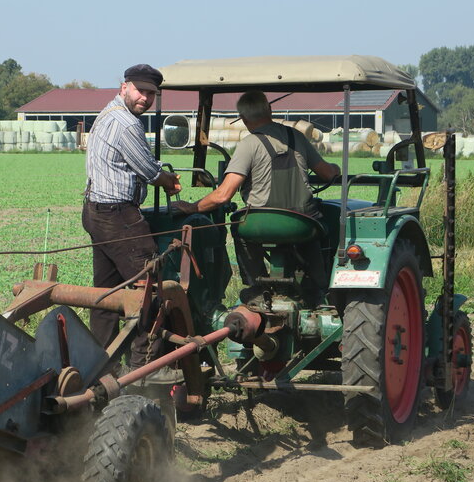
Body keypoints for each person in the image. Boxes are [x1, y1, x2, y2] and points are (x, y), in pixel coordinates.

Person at [171, 90, 340, 304]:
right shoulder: (296, 136)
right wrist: (336, 168)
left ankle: (257, 285)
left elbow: (223, 195)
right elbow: (327, 173)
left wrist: (192, 207)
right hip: (302, 222)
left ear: (243, 119)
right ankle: (316, 285)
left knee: (239, 225)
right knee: (316, 227)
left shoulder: (249, 144)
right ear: (269, 110)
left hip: (261, 223)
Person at [82, 63, 182, 370]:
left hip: (95, 211)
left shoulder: (107, 113)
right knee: (152, 294)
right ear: (124, 86)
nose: (146, 99)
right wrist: (170, 181)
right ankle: (145, 372)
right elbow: (149, 171)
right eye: (141, 91)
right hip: (119, 217)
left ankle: (100, 367)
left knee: (107, 296)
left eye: (152, 94)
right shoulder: (127, 124)